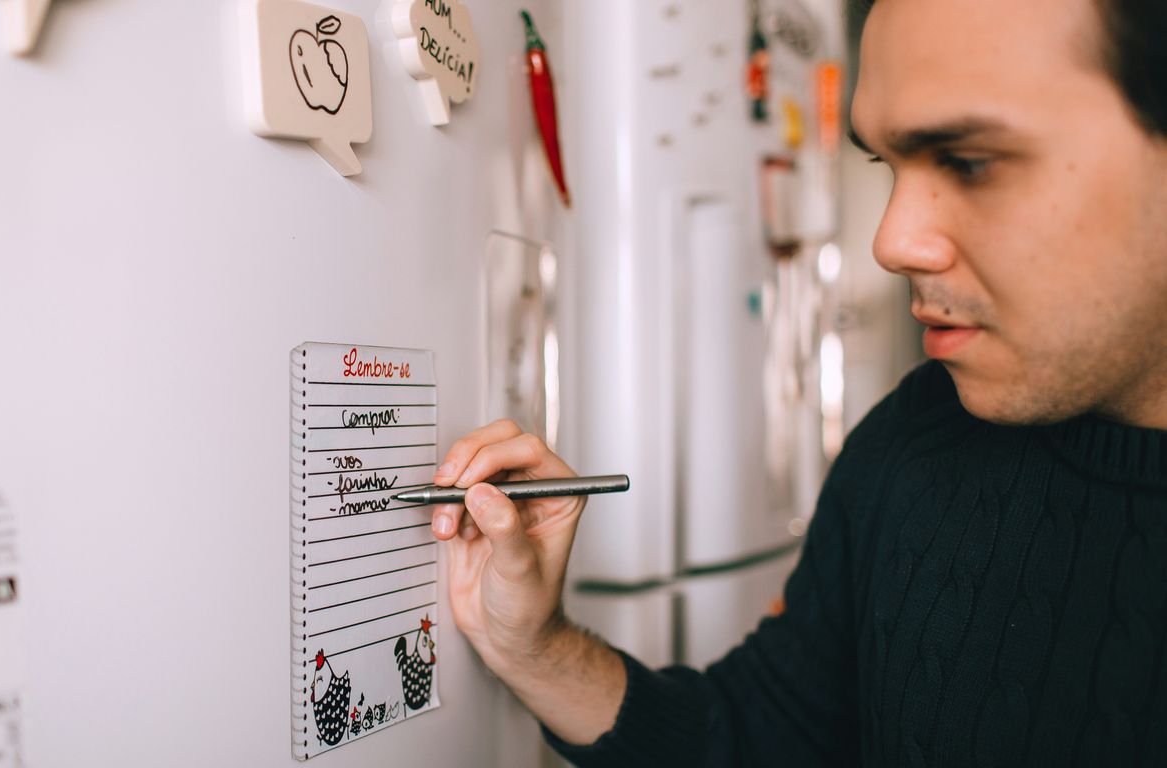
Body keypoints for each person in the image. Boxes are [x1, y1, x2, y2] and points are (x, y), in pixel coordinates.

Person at [428, 0, 1167, 764]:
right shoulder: (920, 435)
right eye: (885, 163)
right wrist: (532, 645)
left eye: (969, 162)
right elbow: (758, 738)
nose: (891, 242)